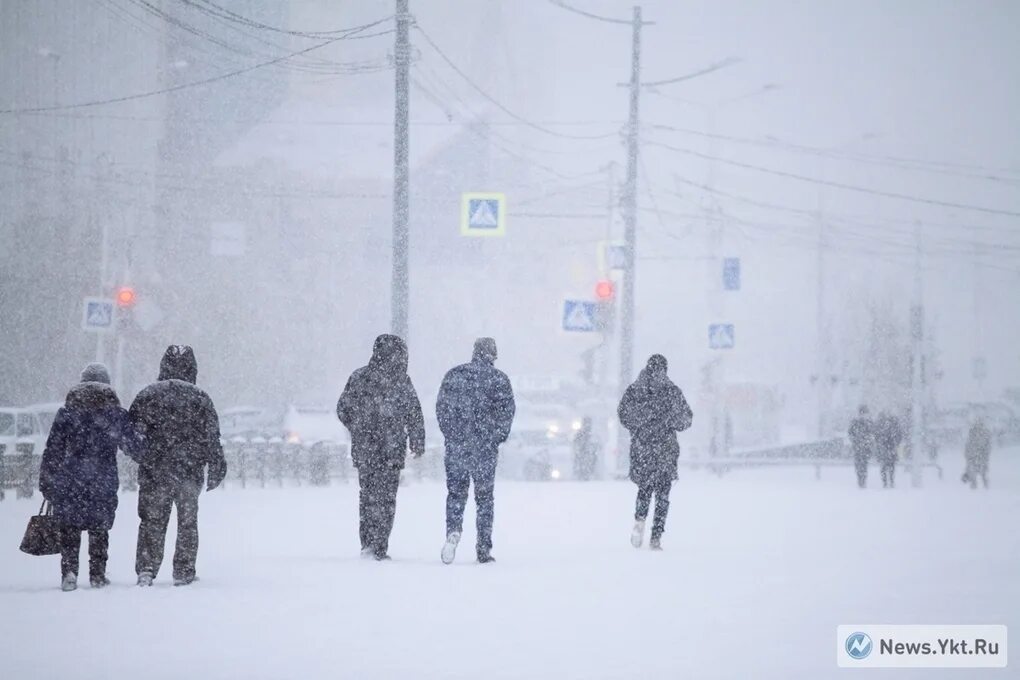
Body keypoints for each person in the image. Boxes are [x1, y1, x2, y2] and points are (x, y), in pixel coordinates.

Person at [40, 363, 144, 591]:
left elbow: (53, 450)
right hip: (103, 477)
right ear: (106, 384)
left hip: (70, 477)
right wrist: (148, 453)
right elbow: (133, 446)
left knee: (69, 525)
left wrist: (46, 480)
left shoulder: (67, 412)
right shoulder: (115, 414)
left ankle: (69, 572)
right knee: (99, 526)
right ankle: (97, 573)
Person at [129, 345, 226, 586]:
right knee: (187, 522)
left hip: (156, 470)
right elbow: (212, 437)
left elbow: (132, 435)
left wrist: (145, 456)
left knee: (152, 520)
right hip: (189, 471)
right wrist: (216, 466)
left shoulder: (148, 395)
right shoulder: (201, 398)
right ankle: (183, 569)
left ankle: (147, 567)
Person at [338, 334, 425, 561]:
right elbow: (414, 413)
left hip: (366, 449)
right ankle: (380, 545)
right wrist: (416, 440)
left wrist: (357, 427)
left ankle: (367, 543)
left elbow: (342, 409)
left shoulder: (359, 378)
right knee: (387, 498)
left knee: (367, 496)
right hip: (392, 449)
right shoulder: (401, 381)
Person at [436, 338, 515, 564]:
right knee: (484, 499)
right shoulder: (499, 380)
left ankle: (453, 530)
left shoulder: (454, 375)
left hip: (457, 446)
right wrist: (495, 438)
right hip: (484, 449)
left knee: (456, 493)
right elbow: (507, 413)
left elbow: (441, 408)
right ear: (493, 355)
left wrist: (452, 435)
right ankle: (483, 547)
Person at [617, 354, 693, 551]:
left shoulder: (635, 389)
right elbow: (686, 419)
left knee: (644, 488)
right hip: (665, 448)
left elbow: (623, 414)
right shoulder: (671, 391)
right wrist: (669, 422)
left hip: (643, 447)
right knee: (663, 493)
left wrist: (640, 425)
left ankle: (639, 521)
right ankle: (656, 535)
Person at [848, 405, 875, 489]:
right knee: (859, 465)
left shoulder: (869, 422)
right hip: (858, 447)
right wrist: (856, 440)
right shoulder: (855, 422)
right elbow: (850, 433)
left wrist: (868, 441)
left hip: (864, 448)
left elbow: (872, 433)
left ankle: (862, 480)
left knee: (863, 464)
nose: (863, 415)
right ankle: (861, 480)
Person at [874, 411, 903, 489]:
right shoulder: (893, 424)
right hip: (890, 447)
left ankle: (886, 482)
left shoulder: (881, 424)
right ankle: (889, 481)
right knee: (890, 466)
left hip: (886, 447)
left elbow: (876, 436)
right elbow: (899, 435)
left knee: (886, 466)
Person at [963, 417, 992, 489]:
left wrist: (968, 455)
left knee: (980, 474)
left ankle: (983, 488)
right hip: (976, 458)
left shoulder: (981, 435)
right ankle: (981, 487)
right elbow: (968, 447)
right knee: (980, 474)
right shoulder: (980, 435)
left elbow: (987, 448)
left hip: (977, 458)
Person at [572, 417, 599, 481]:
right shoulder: (582, 433)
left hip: (587, 452)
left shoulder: (592, 433)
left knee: (591, 459)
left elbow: (596, 442)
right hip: (583, 452)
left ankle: (586, 472)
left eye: (588, 423)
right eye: (586, 423)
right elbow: (575, 441)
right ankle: (584, 472)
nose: (587, 425)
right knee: (583, 460)